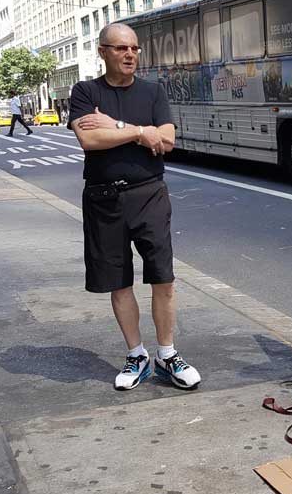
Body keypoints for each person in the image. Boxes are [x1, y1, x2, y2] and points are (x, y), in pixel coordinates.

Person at [69, 22, 200, 391]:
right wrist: (142, 132)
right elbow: (90, 139)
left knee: (164, 278)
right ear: (103, 52)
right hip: (102, 199)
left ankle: (167, 354)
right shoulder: (84, 91)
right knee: (118, 281)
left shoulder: (153, 91)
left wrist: (117, 125)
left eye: (135, 49)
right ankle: (137, 354)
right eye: (121, 48)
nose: (130, 55)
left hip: (149, 195)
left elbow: (169, 141)